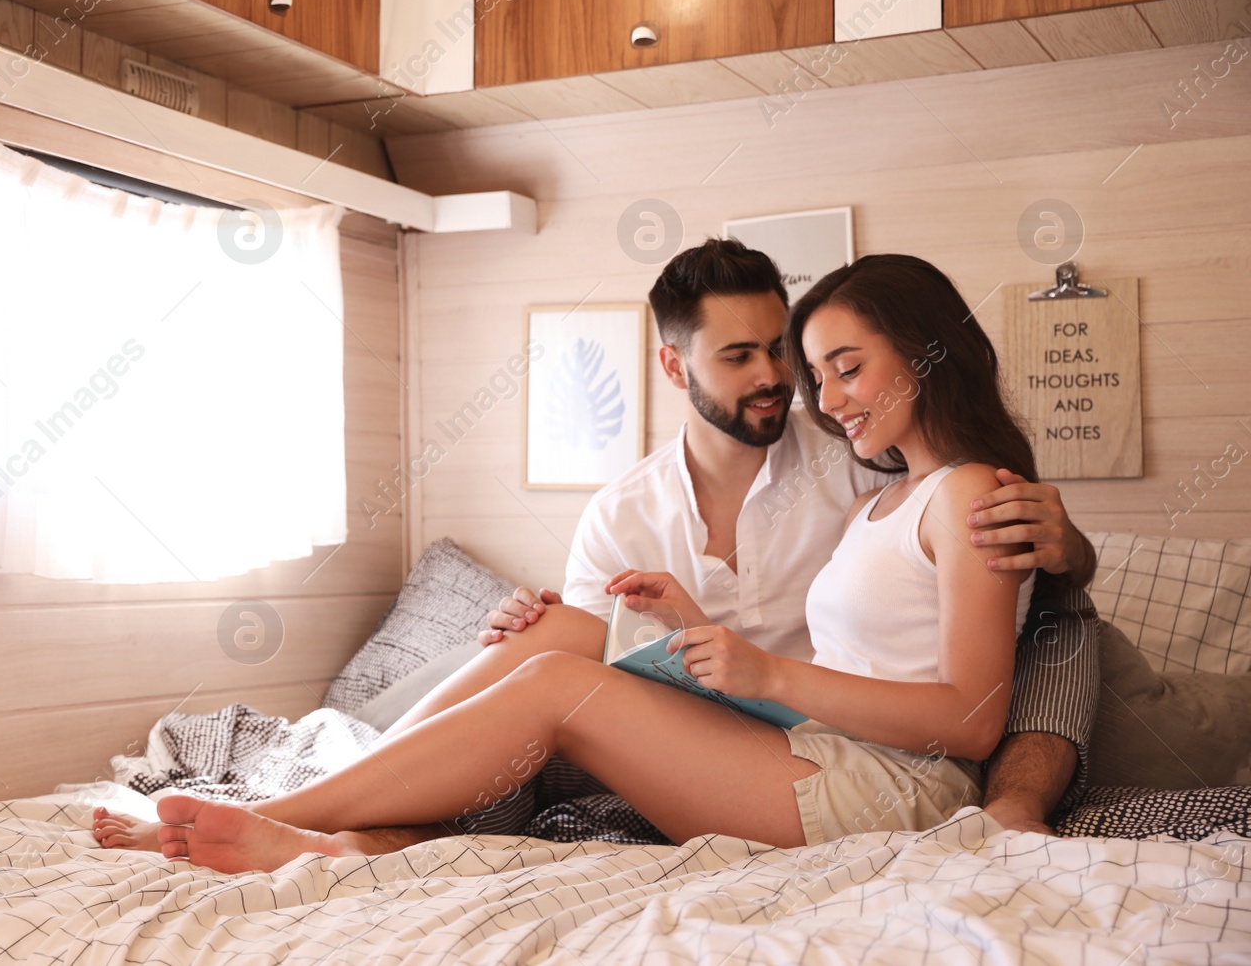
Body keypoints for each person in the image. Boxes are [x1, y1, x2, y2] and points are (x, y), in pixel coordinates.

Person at [105, 253, 1082, 872]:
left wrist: (763, 669)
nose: (817, 395)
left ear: (925, 349)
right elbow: (877, 657)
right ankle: (343, 819)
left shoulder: (961, 494)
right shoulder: (886, 497)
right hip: (817, 743)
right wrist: (700, 627)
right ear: (675, 364)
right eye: (810, 368)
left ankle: (291, 812)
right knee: (556, 650)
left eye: (843, 365)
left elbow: (971, 712)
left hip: (886, 784)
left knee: (558, 688)